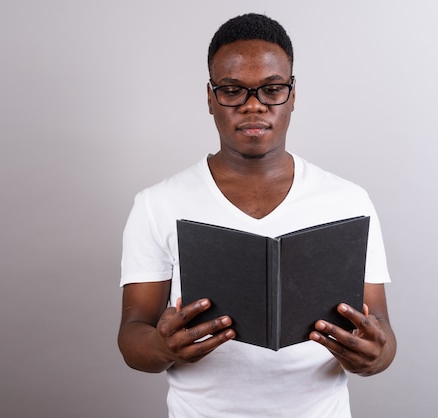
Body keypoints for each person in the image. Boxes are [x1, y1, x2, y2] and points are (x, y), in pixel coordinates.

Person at [117, 13, 396, 417]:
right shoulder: (158, 203)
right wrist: (161, 347)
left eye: (271, 89)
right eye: (232, 90)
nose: (253, 105)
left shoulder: (348, 201)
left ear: (293, 94)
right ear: (210, 97)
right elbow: (133, 336)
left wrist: (374, 355)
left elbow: (382, 329)